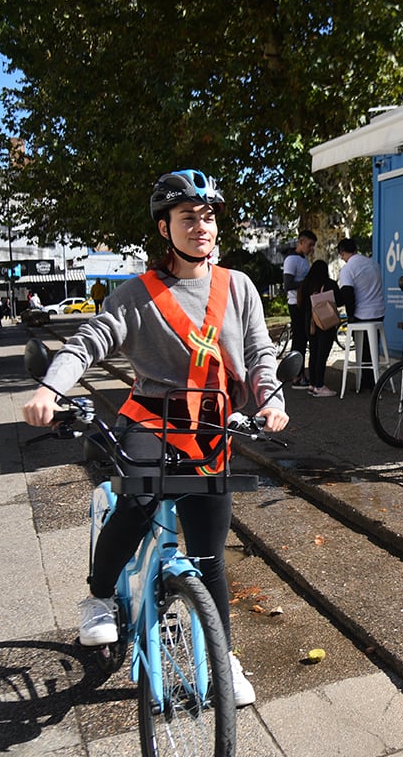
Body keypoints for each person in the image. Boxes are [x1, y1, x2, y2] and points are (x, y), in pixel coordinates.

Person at [22, 168, 287, 707]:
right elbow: (88, 343)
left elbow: (259, 354)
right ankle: (99, 597)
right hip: (148, 421)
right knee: (140, 500)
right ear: (164, 228)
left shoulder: (239, 287)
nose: (201, 226)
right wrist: (50, 388)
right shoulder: (136, 295)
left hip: (209, 427)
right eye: (188, 217)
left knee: (210, 558)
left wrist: (272, 400)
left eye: (208, 216)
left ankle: (222, 657)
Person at [336, 238, 385, 390]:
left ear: (342, 252)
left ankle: (365, 382)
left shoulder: (347, 269)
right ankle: (371, 380)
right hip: (379, 312)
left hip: (362, 314)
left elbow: (348, 295)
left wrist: (349, 316)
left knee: (362, 349)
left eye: (341, 255)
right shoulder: (372, 263)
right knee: (371, 348)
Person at [298, 259, 339, 397]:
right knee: (322, 354)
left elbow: (301, 303)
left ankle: (312, 384)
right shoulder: (329, 284)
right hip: (324, 323)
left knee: (314, 353)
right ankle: (320, 385)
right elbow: (338, 300)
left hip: (309, 322)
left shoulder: (305, 284)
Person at [283, 230, 315, 388]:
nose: (311, 249)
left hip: (304, 304)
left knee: (303, 340)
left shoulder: (304, 260)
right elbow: (288, 285)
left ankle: (301, 373)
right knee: (298, 341)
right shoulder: (291, 260)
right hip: (296, 304)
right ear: (300, 242)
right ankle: (296, 376)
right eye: (309, 245)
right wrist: (305, 284)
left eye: (313, 246)